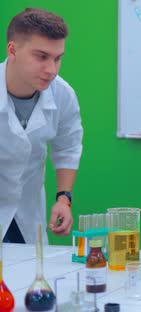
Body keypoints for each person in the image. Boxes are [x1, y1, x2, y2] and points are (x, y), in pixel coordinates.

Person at [1, 8, 83, 244]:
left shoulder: (62, 94)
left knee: (29, 275)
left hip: (27, 214)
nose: (52, 70)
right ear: (13, 50)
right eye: (41, 56)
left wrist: (63, 199)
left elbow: (67, 148)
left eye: (58, 58)